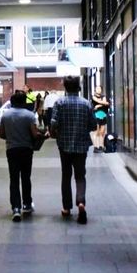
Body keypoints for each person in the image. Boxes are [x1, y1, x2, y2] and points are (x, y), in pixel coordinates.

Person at [50, 75, 96, 224]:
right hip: (81, 146)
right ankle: (81, 202)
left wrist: (54, 132)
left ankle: (67, 208)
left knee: (66, 175)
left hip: (64, 144)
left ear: (65, 87)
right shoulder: (86, 103)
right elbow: (93, 125)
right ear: (78, 87)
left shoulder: (60, 102)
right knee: (80, 176)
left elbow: (54, 123)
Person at [0, 91, 43, 222]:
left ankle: (16, 209)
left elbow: (1, 134)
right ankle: (27, 205)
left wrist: (12, 136)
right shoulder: (29, 115)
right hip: (26, 150)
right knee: (25, 177)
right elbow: (35, 135)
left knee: (13, 179)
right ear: (24, 102)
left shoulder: (5, 115)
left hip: (11, 150)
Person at [91, 85, 110, 152]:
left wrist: (98, 105)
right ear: (95, 90)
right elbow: (104, 102)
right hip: (96, 116)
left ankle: (101, 146)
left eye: (100, 88)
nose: (98, 89)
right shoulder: (93, 96)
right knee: (96, 132)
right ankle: (96, 147)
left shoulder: (103, 96)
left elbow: (105, 103)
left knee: (102, 132)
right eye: (97, 88)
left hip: (103, 115)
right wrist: (104, 103)